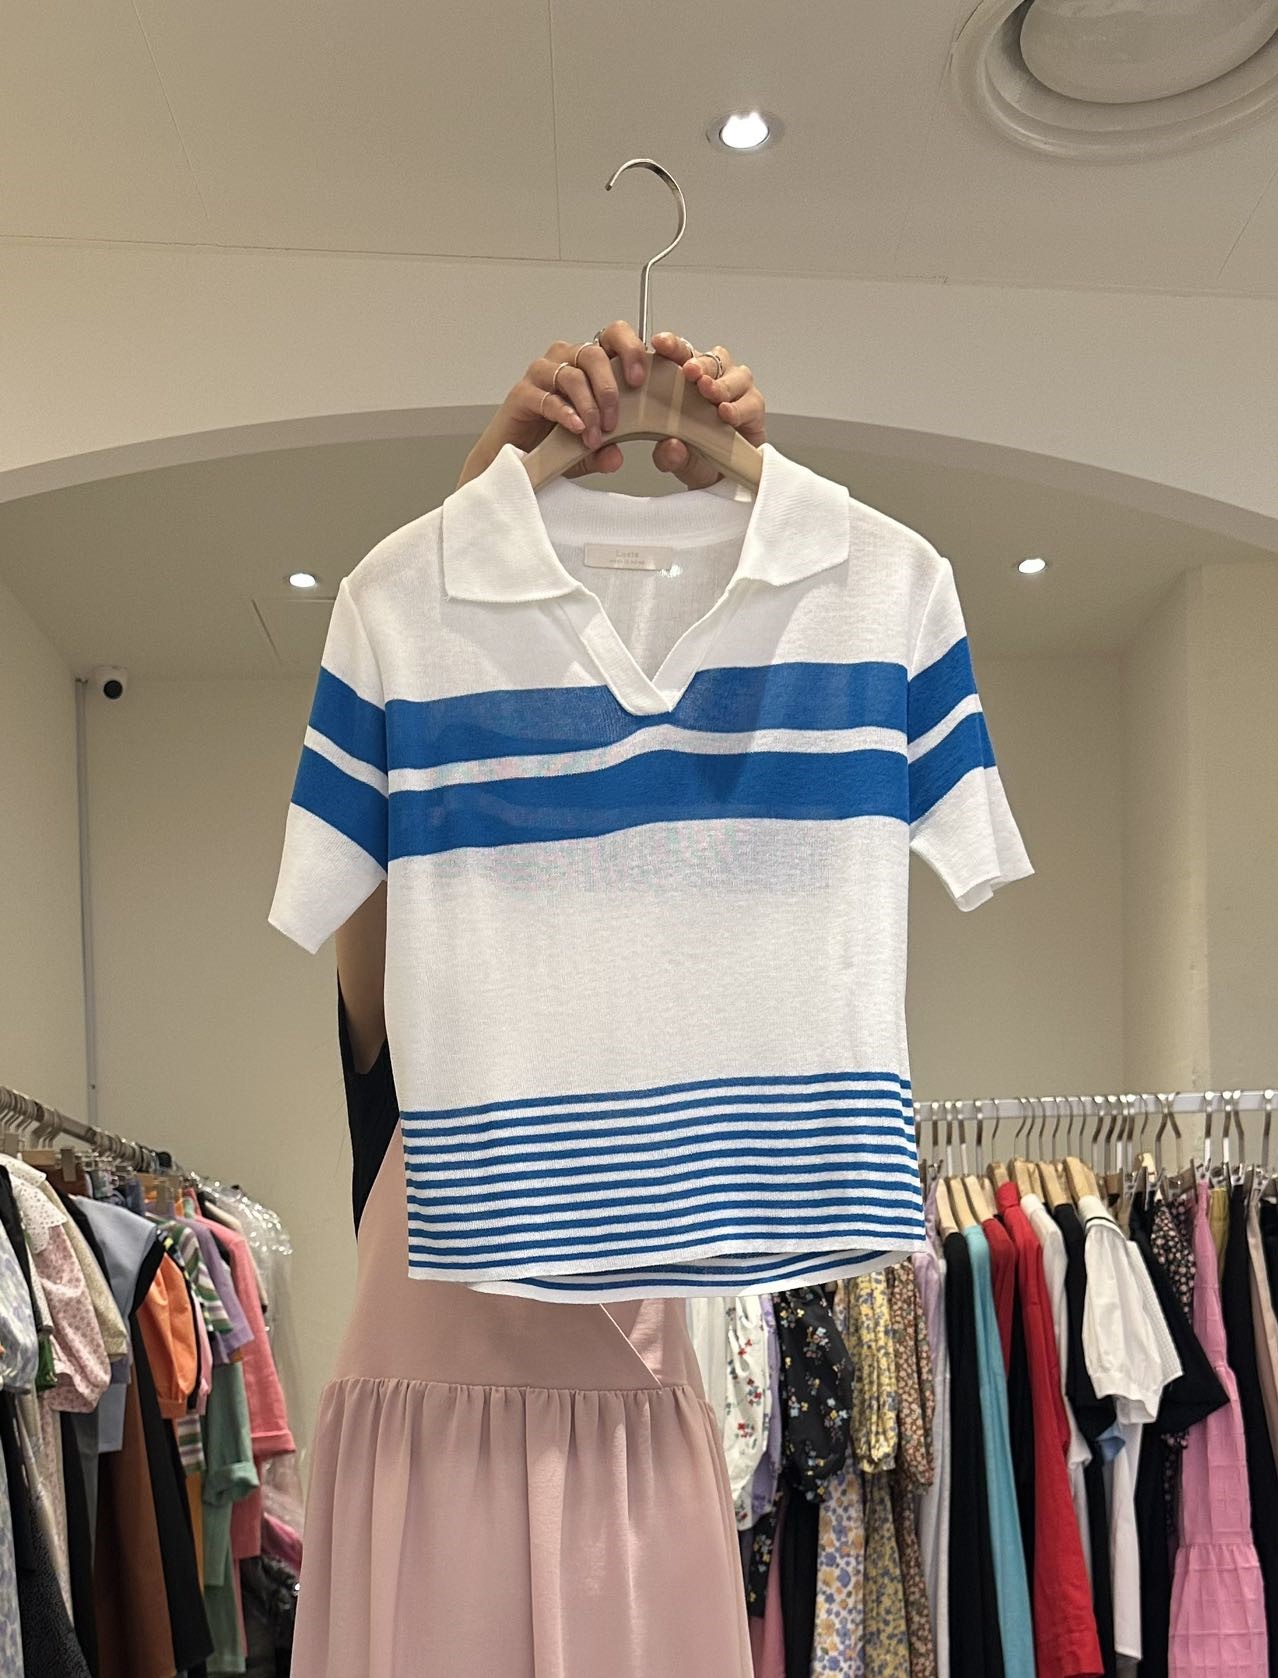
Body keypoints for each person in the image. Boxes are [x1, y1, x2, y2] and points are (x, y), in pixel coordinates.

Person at [296, 322, 769, 1678]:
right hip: (431, 1515)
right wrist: (466, 540)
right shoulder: (412, 1004)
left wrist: (759, 535)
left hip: (629, 1514)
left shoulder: (689, 1032)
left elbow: (756, 829)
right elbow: (384, 827)